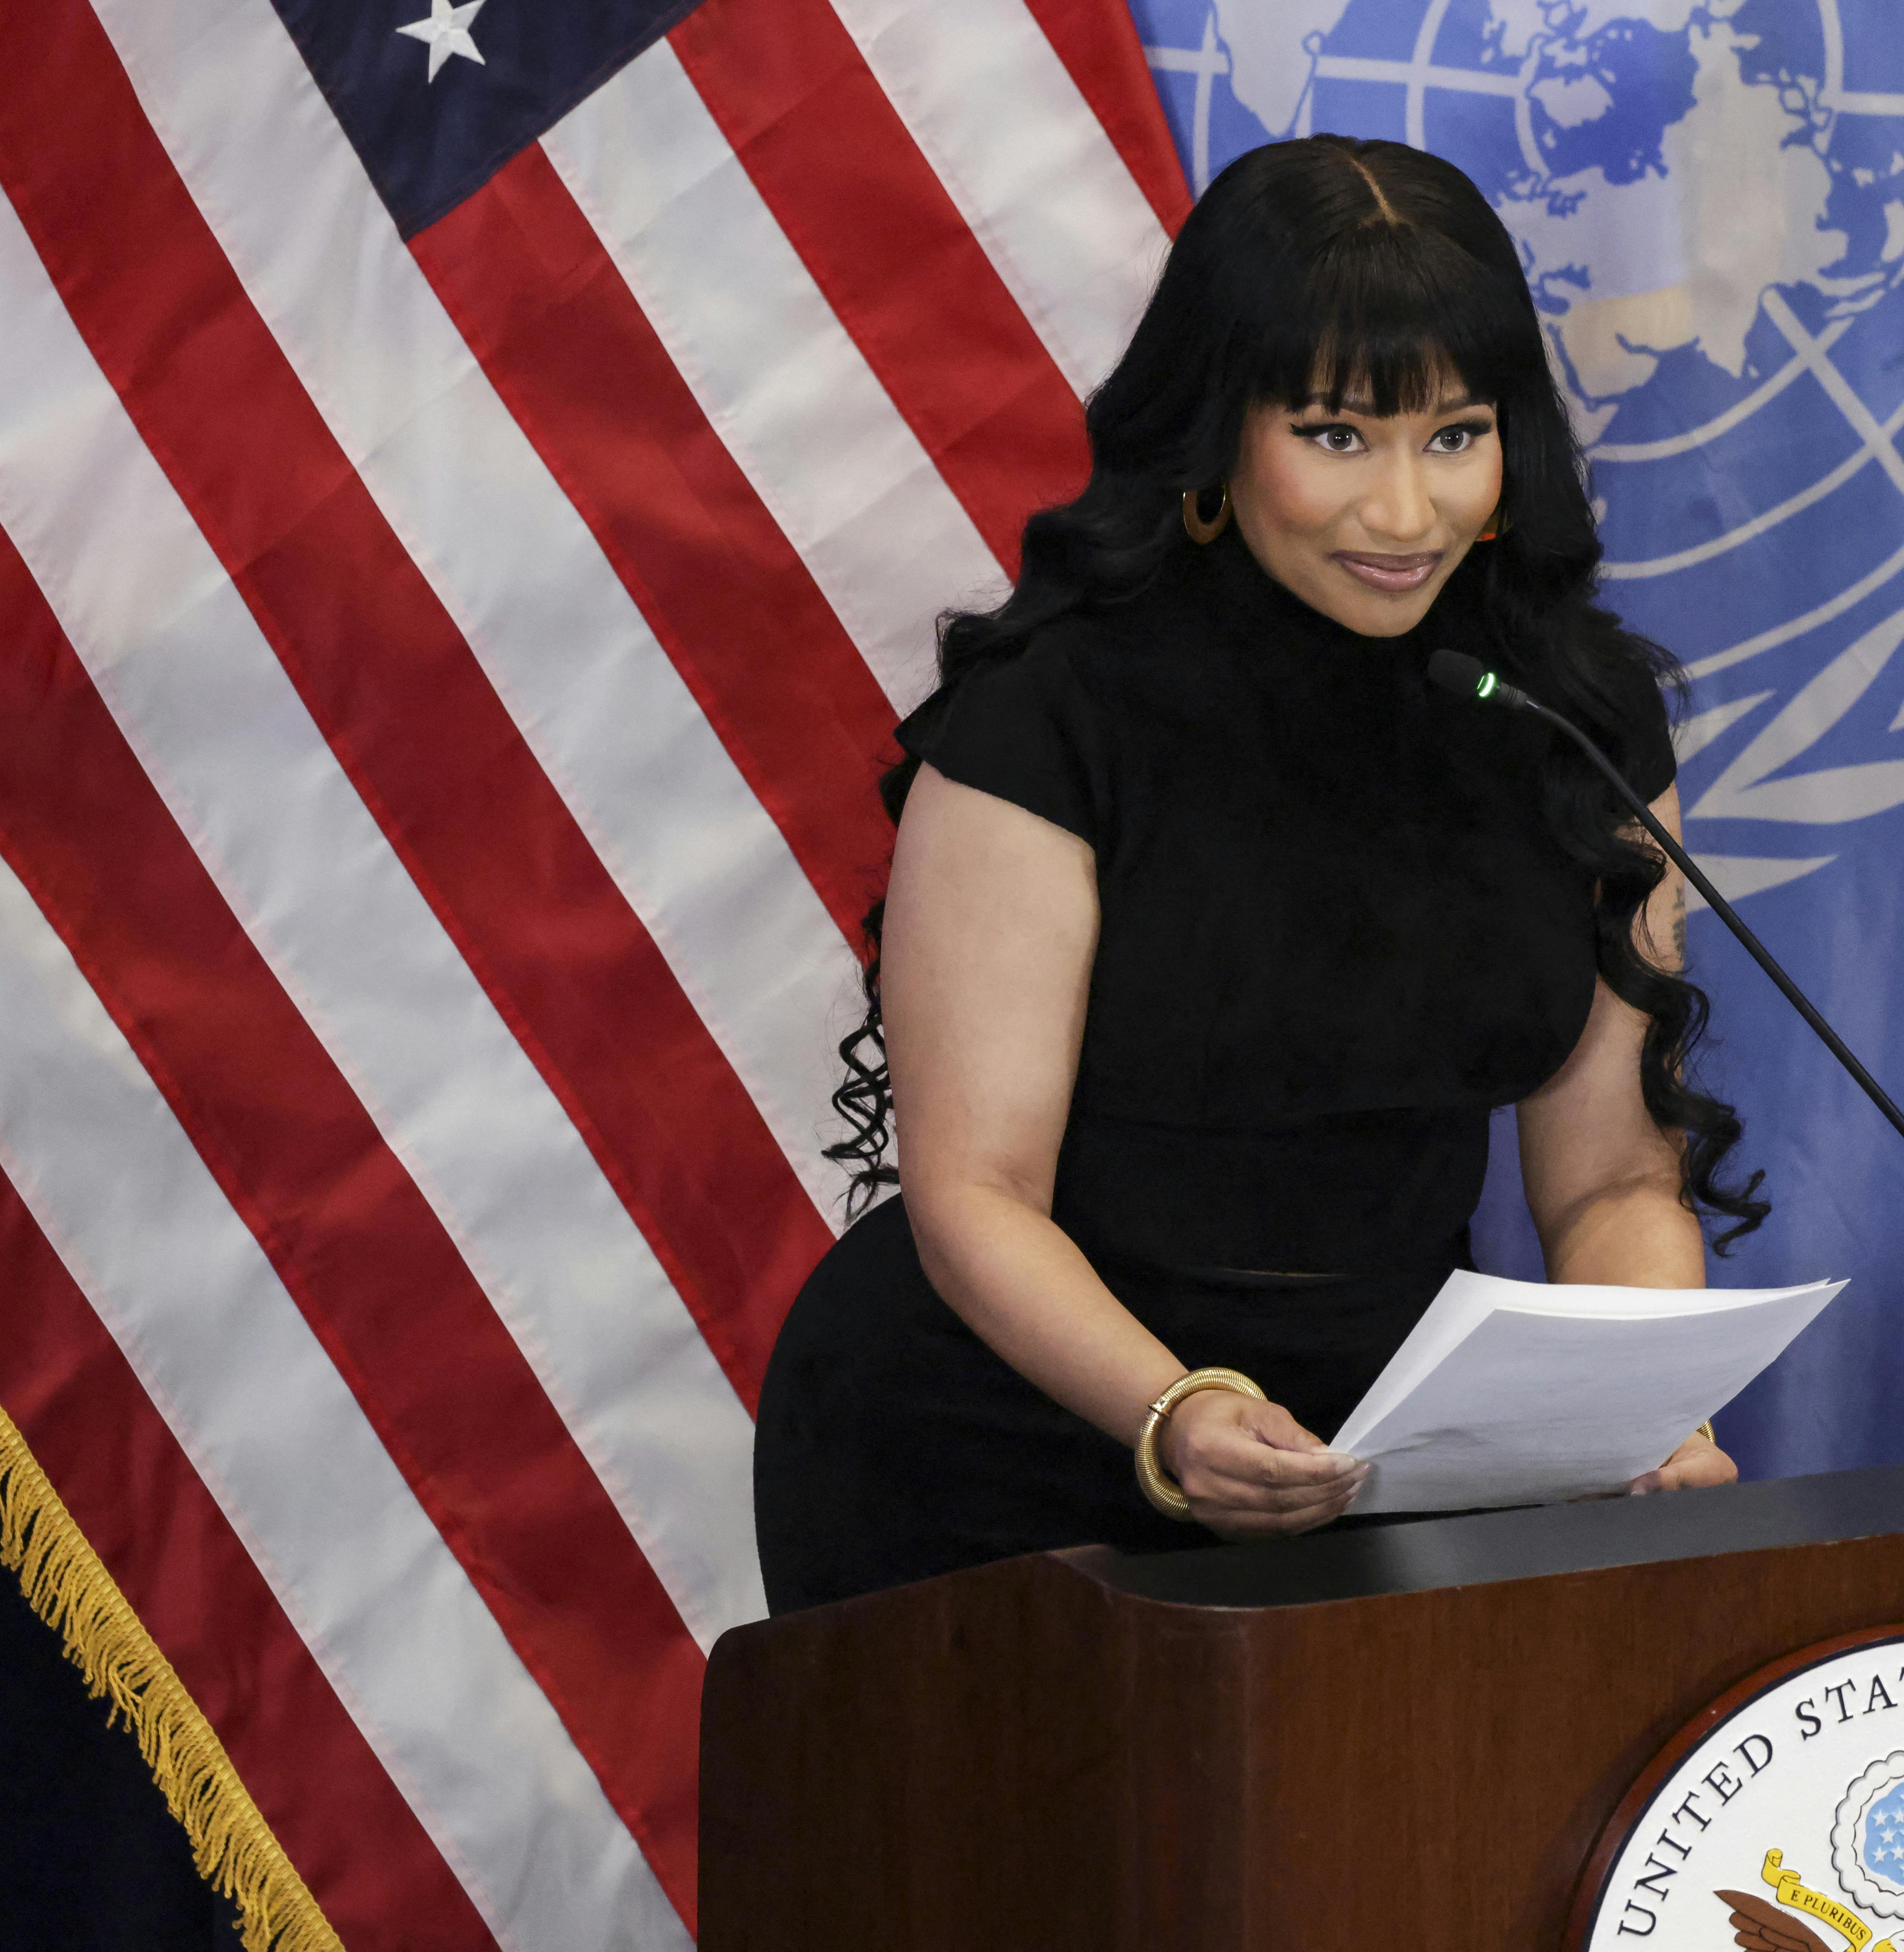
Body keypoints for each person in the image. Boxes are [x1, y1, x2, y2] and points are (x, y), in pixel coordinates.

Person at [753, 134, 1768, 1614]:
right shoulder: (1058, 713)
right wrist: (1175, 1416)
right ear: (1224, 427)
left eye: (1457, 434)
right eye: (1341, 436)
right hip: (1001, 1461)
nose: (1410, 513)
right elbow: (976, 1188)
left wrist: (1631, 1406)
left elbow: (1612, 1173)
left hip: (1386, 1468)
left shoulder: (1575, 712)